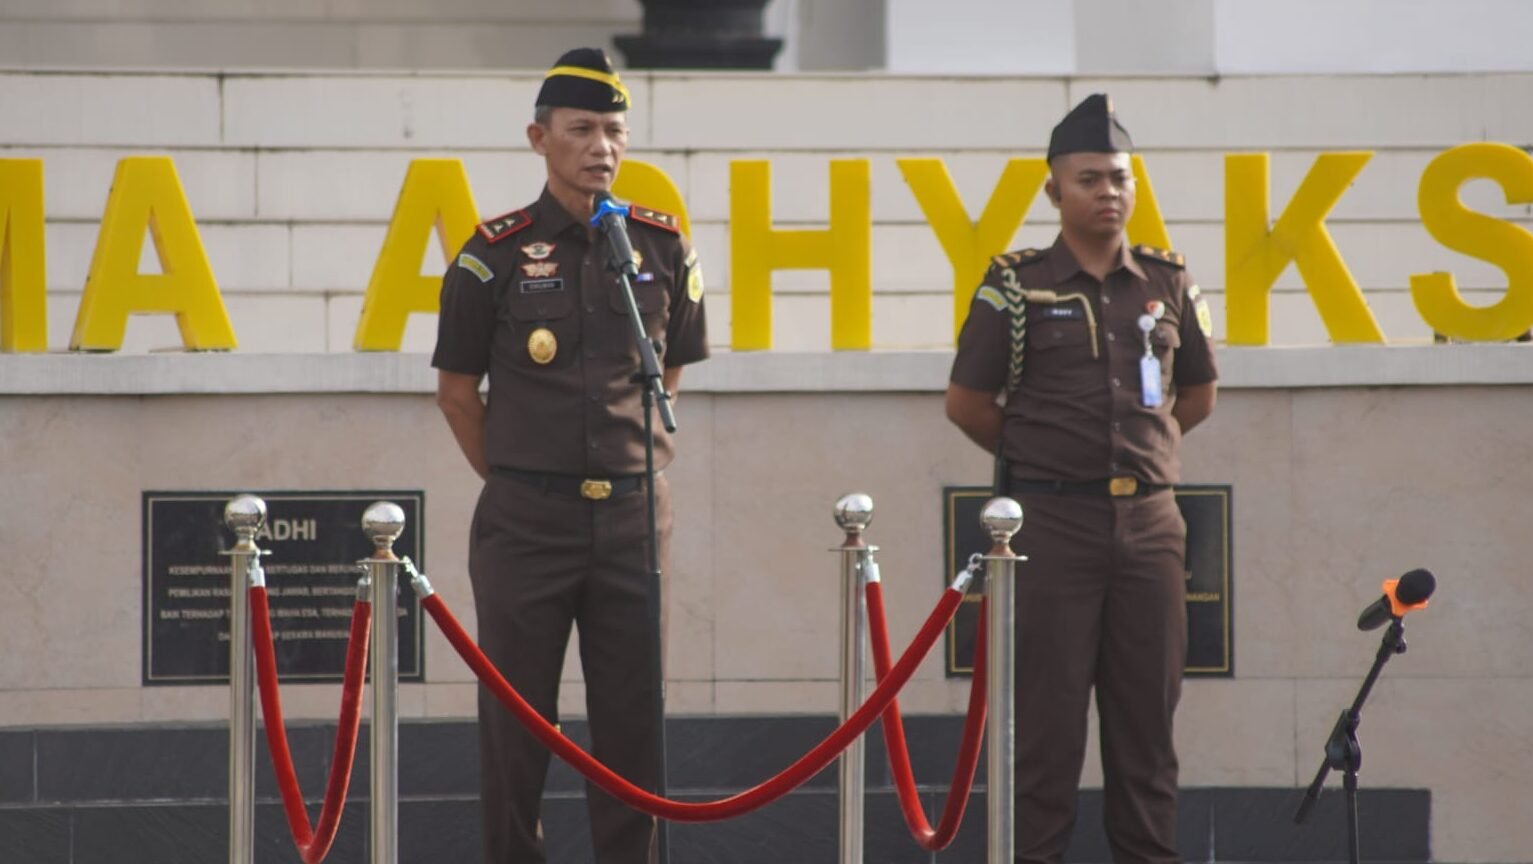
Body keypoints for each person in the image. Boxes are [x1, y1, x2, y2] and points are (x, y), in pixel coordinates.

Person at [431, 47, 709, 864]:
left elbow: (675, 368)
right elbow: (456, 392)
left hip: (631, 519)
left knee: (633, 726)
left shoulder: (659, 248)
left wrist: (624, 467)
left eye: (614, 131)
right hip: (528, 523)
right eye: (581, 129)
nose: (601, 148)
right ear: (538, 138)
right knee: (518, 727)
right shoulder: (494, 254)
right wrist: (524, 478)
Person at [945, 93, 1217, 864]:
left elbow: (1195, 396)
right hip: (1050, 528)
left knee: (1146, 738)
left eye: (1120, 179)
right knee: (1045, 735)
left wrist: (1134, 461)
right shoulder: (1016, 286)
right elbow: (966, 404)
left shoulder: (1164, 282)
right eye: (1090, 178)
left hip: (1150, 529)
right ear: (1052, 190)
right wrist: (1049, 461)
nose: (1108, 192)